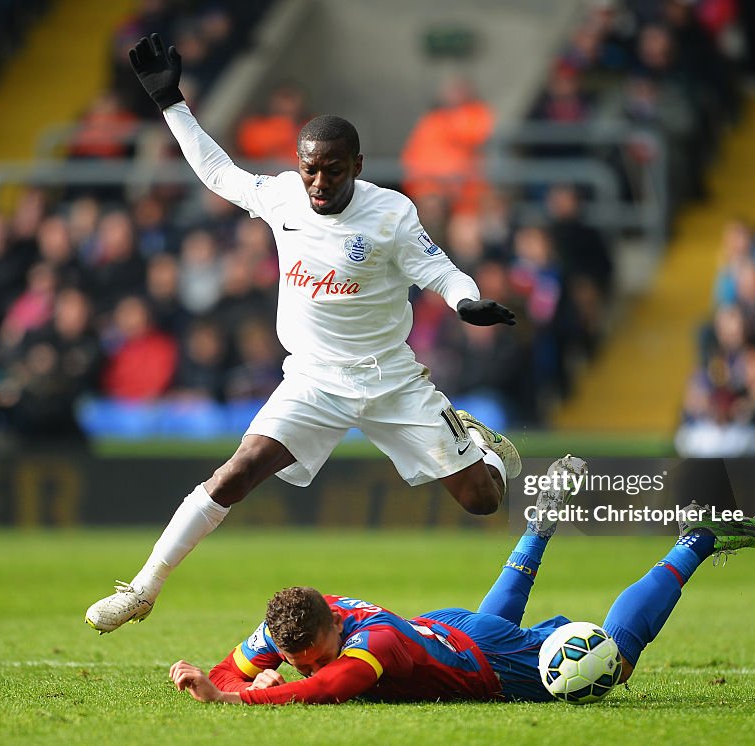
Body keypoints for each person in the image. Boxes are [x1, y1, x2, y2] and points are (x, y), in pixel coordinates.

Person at [85, 35, 520, 633]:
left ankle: (483, 449)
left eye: (332, 171)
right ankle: (141, 588)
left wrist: (465, 299)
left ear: (358, 168)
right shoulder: (282, 195)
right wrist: (171, 103)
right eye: (309, 168)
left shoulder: (391, 214)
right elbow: (218, 173)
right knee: (237, 472)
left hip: (390, 377)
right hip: (313, 378)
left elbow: (439, 268)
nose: (318, 183)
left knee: (482, 500)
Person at [166, 457, 755, 705]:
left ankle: (695, 541)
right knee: (490, 625)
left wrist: (231, 698)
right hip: (446, 629)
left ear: (332, 629)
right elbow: (230, 668)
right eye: (293, 658)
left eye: (312, 657)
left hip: (481, 661)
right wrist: (230, 676)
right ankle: (540, 524)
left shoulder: (369, 646)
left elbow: (326, 689)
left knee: (610, 662)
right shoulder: (295, 621)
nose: (305, 666)